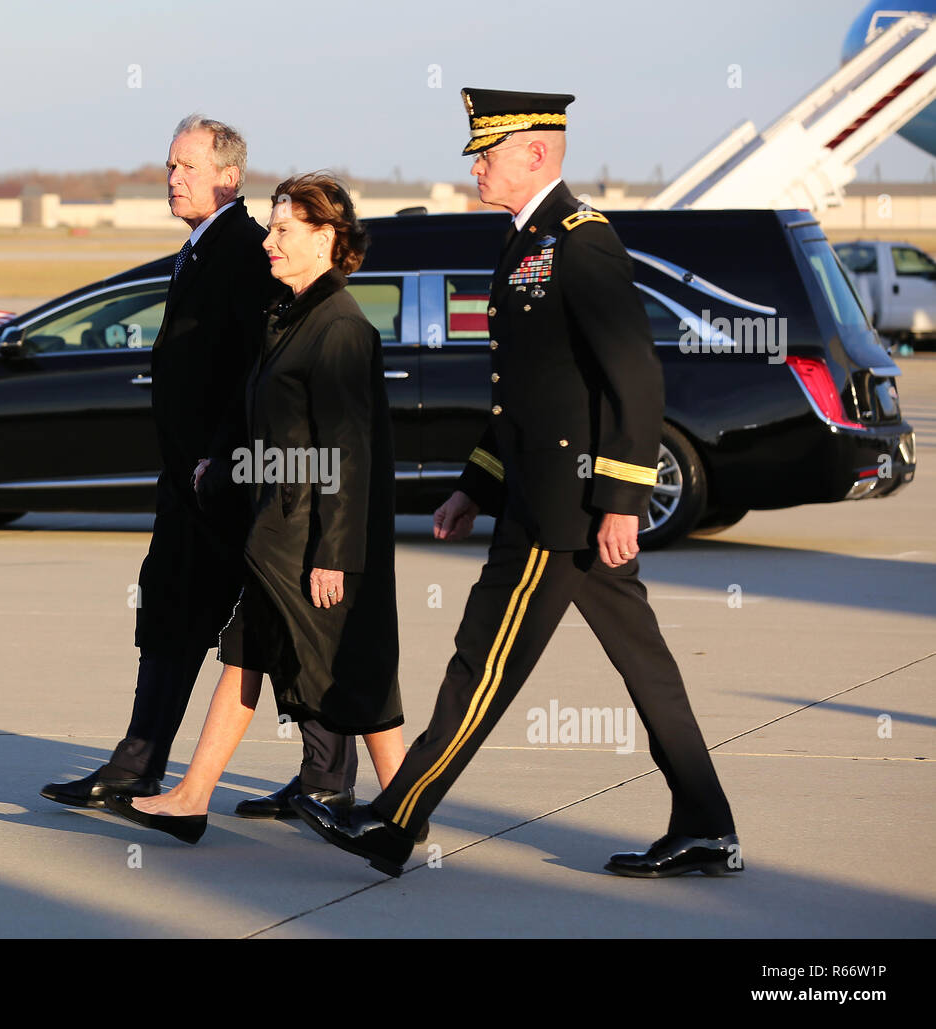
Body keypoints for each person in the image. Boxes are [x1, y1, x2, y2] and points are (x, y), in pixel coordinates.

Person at [295, 89, 740, 879]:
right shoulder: (525, 241)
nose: (476, 167)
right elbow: (526, 393)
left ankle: (397, 820)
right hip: (537, 493)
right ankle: (706, 824)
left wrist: (621, 500)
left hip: (562, 511)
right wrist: (475, 484)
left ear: (535, 153)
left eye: (488, 152)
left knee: (482, 663)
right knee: (647, 666)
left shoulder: (580, 240)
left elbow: (633, 375)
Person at [40, 120, 360, 818]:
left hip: (228, 485)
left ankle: (328, 775)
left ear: (228, 176)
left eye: (185, 165)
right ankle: (140, 763)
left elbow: (257, 372)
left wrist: (218, 458)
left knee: (273, 628)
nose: (172, 176)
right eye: (169, 164)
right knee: (175, 612)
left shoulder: (244, 252)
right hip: (192, 481)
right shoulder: (200, 250)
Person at [103, 174, 405, 844]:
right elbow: (256, 406)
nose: (268, 242)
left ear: (327, 239)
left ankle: (407, 807)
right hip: (276, 532)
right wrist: (220, 456)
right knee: (243, 655)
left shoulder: (340, 328)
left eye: (283, 231)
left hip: (308, 540)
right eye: (270, 228)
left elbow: (349, 453)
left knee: (357, 677)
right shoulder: (289, 316)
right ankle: (190, 797)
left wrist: (334, 554)